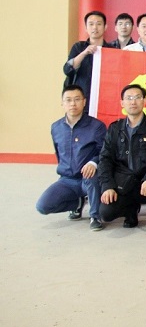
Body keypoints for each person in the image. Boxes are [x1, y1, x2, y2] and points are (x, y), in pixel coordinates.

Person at [97, 84, 146, 235]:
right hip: (123, 181)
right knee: (106, 213)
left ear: (145, 101)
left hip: (145, 180)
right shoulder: (115, 128)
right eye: (129, 98)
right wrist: (107, 186)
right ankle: (130, 210)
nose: (133, 102)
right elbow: (105, 159)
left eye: (137, 97)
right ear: (122, 103)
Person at [36, 85, 107, 231]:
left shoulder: (96, 126)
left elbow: (105, 151)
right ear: (62, 103)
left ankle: (94, 216)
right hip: (67, 179)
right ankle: (77, 203)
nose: (73, 104)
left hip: (88, 177)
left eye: (77, 99)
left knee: (92, 177)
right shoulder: (56, 127)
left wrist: (93, 163)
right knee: (43, 206)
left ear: (84, 101)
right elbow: (59, 153)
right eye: (68, 100)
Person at [63, 10, 111, 107]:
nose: (95, 27)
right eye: (91, 24)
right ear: (86, 28)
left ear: (105, 27)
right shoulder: (78, 47)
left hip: (105, 100)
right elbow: (67, 70)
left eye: (99, 24)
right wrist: (84, 53)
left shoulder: (112, 50)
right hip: (81, 99)